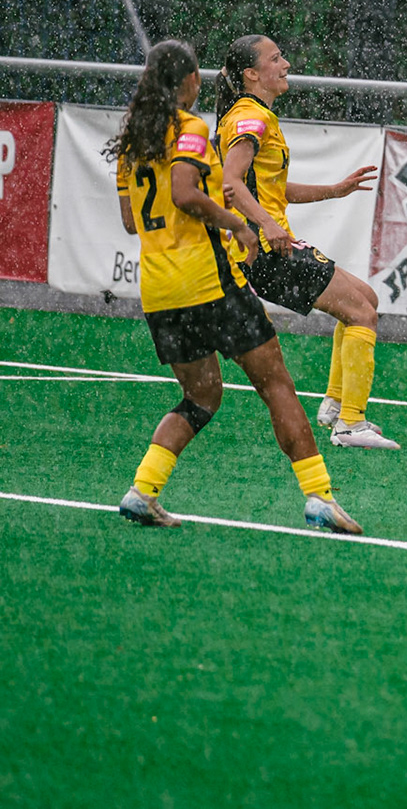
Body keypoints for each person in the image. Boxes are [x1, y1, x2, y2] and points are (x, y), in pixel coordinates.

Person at [108, 40, 361, 533]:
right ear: (187, 83)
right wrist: (239, 225)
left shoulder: (132, 144)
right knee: (276, 384)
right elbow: (184, 192)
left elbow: (129, 222)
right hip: (209, 281)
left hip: (160, 292)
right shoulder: (190, 129)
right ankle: (319, 497)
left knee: (201, 399)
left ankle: (143, 489)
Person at [211, 35, 392, 449]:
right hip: (267, 250)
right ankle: (350, 424)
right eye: (276, 59)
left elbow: (271, 187)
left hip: (268, 244)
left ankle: (335, 404)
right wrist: (267, 227)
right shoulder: (249, 118)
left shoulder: (254, 114)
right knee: (363, 313)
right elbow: (230, 184)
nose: (286, 64)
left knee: (366, 300)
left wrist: (335, 190)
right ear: (252, 74)